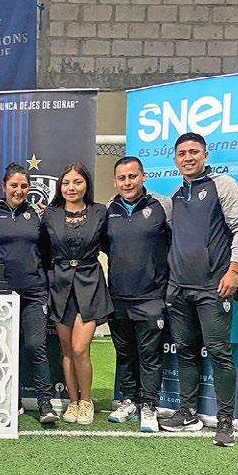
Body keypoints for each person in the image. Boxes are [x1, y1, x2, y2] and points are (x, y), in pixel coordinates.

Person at [160, 132, 238, 447]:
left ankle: (225, 421)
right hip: (179, 289)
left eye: (193, 152)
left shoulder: (222, 185)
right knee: (185, 350)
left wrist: (234, 270)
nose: (187, 157)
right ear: (175, 159)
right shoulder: (175, 195)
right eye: (182, 153)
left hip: (214, 287)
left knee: (219, 353)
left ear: (205, 155)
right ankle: (187, 412)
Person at [103, 156, 171, 432]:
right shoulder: (109, 209)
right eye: (122, 178)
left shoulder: (161, 206)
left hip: (151, 298)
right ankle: (129, 401)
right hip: (118, 297)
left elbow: (175, 245)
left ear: (143, 177)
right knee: (125, 353)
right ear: (115, 181)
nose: (127, 182)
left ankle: (149, 406)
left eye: (132, 176)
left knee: (149, 355)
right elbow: (107, 247)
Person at [41, 163, 112, 425]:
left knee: (81, 348)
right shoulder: (50, 214)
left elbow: (110, 245)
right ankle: (72, 402)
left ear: (86, 185)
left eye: (77, 182)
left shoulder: (99, 212)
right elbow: (43, 250)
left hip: (89, 283)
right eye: (66, 183)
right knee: (67, 350)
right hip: (60, 285)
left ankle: (86, 401)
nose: (71, 187)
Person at [0, 163, 58, 424]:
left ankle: (45, 404)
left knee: (35, 346)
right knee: (3, 349)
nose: (18, 190)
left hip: (33, 293)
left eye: (24, 186)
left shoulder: (38, 214)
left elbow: (47, 253)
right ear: (3, 186)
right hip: (1, 294)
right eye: (13, 185)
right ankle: (10, 400)